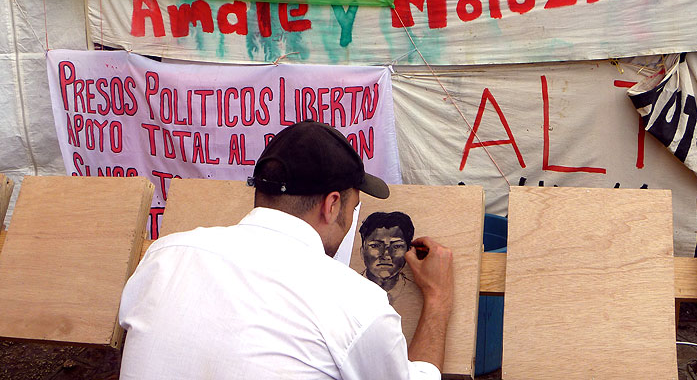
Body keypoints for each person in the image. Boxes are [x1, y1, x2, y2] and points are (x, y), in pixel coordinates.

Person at [118, 120, 454, 379]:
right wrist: (438, 299)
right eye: (354, 209)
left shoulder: (164, 255)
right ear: (332, 205)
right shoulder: (358, 303)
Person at [359, 212, 415, 303]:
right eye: (376, 246)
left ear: (408, 251)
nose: (386, 255)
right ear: (362, 252)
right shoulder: (344, 289)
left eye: (396, 246)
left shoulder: (415, 294)